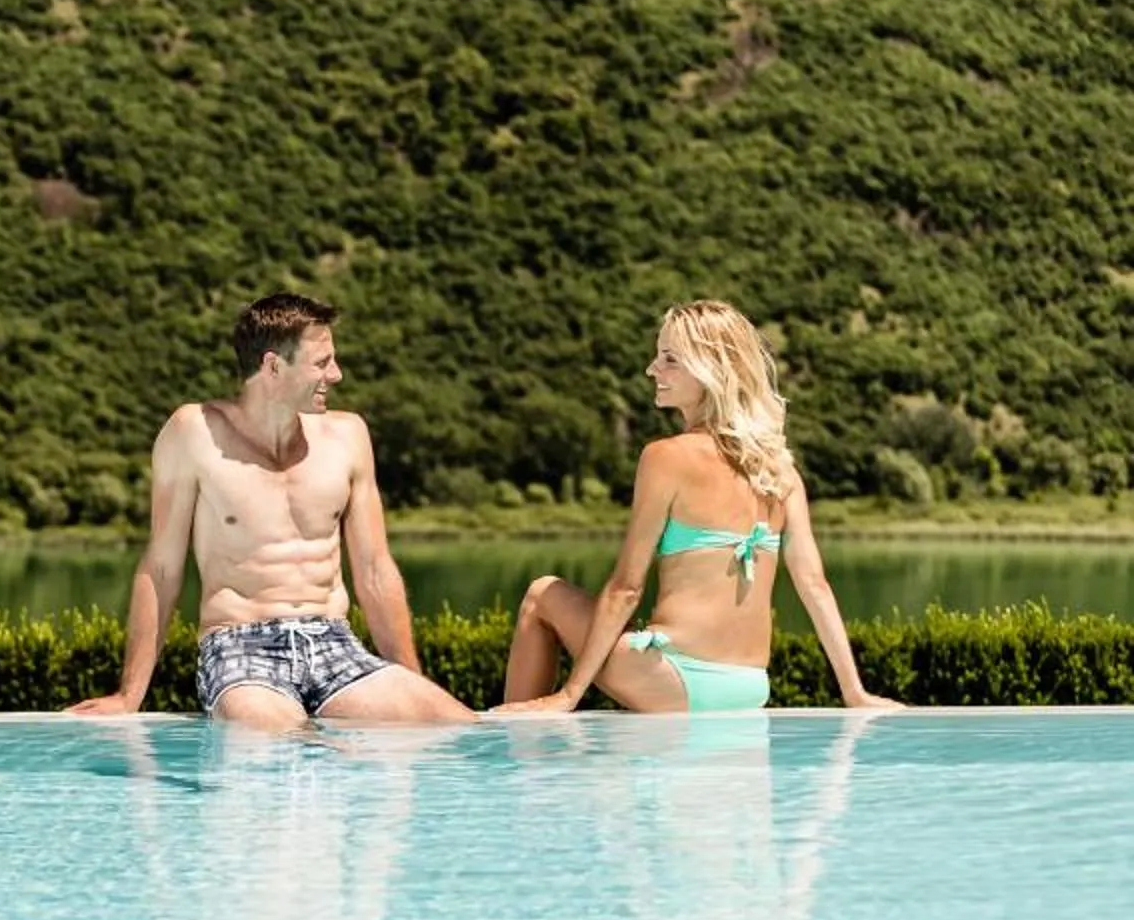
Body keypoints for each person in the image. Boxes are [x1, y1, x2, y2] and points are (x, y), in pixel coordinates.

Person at [69, 293, 474, 727]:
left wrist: (408, 680)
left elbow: (375, 570)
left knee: (453, 729)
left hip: (335, 644)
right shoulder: (194, 433)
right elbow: (162, 568)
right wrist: (129, 695)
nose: (335, 375)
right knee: (281, 744)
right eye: (322, 363)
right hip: (241, 652)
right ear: (273, 366)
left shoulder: (348, 436)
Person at [495, 299, 899, 714]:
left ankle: (518, 749)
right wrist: (854, 693)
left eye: (669, 359)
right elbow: (815, 586)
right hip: (749, 686)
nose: (653, 370)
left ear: (712, 369)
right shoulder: (780, 472)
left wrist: (567, 696)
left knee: (541, 594)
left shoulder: (665, 457)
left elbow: (627, 588)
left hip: (675, 680)